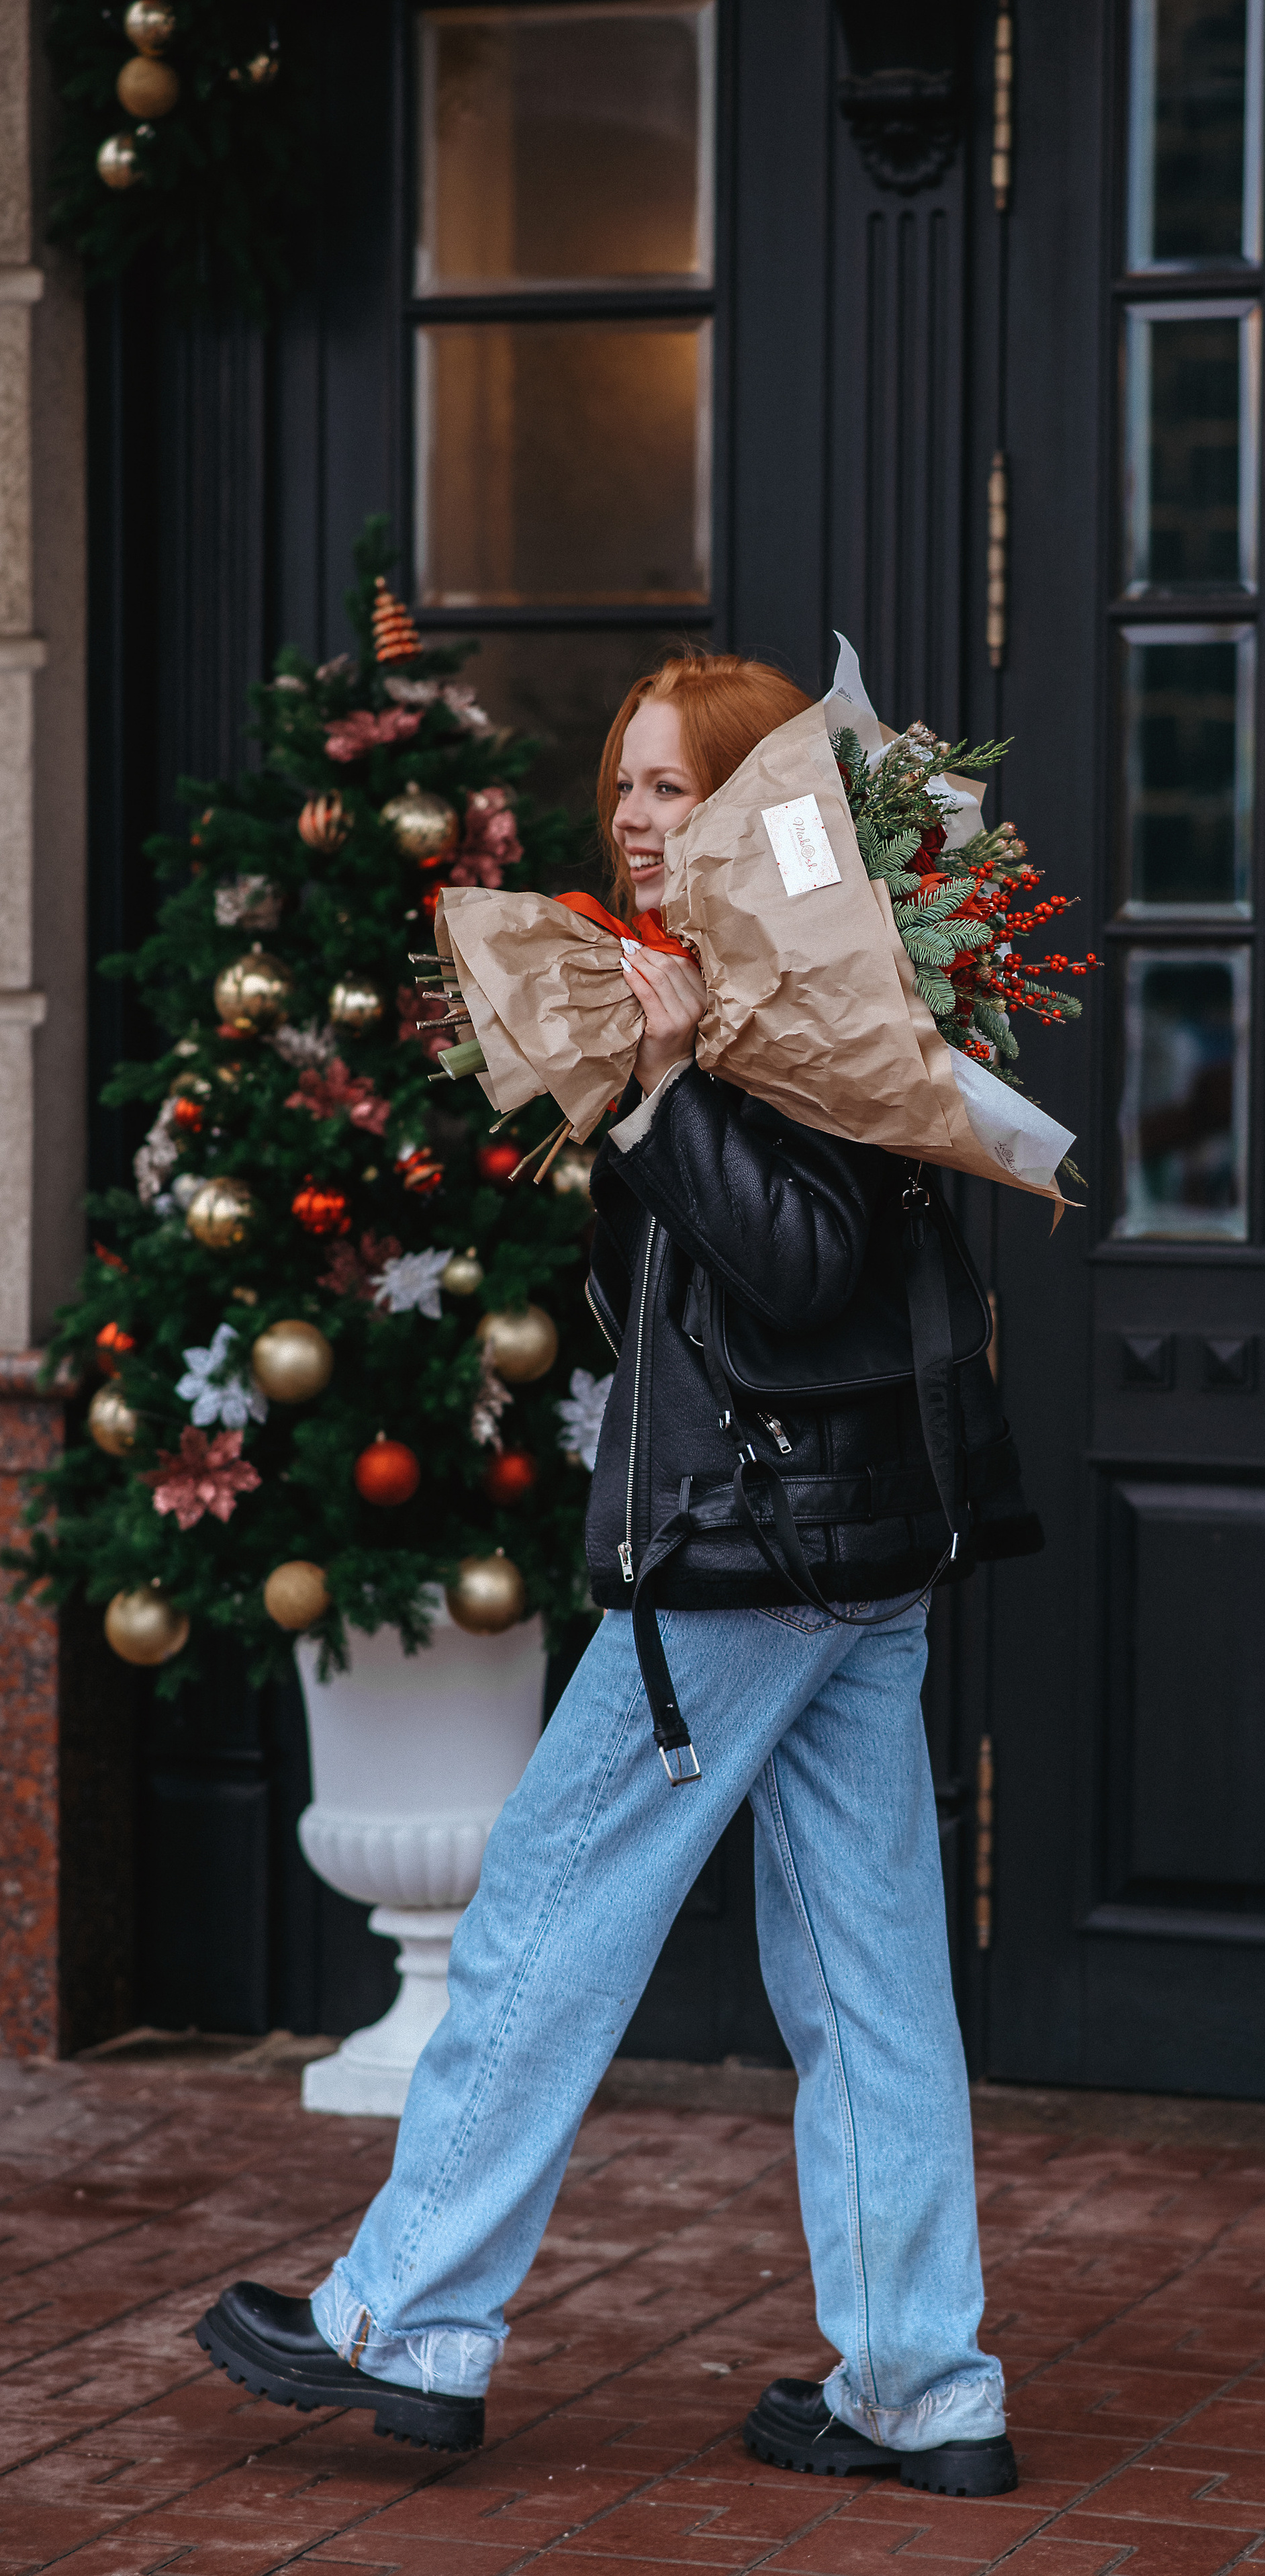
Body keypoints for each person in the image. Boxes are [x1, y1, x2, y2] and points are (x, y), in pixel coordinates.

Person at [196, 654, 1042, 2497]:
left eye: (680, 786)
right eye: (631, 786)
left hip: (748, 1555)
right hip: (845, 1547)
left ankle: (407, 2318)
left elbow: (802, 1262)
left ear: (758, 804)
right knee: (871, 1977)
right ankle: (922, 2381)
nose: (643, 818)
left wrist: (660, 1091)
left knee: (543, 1919)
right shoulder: (756, 974)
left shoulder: (792, 982)